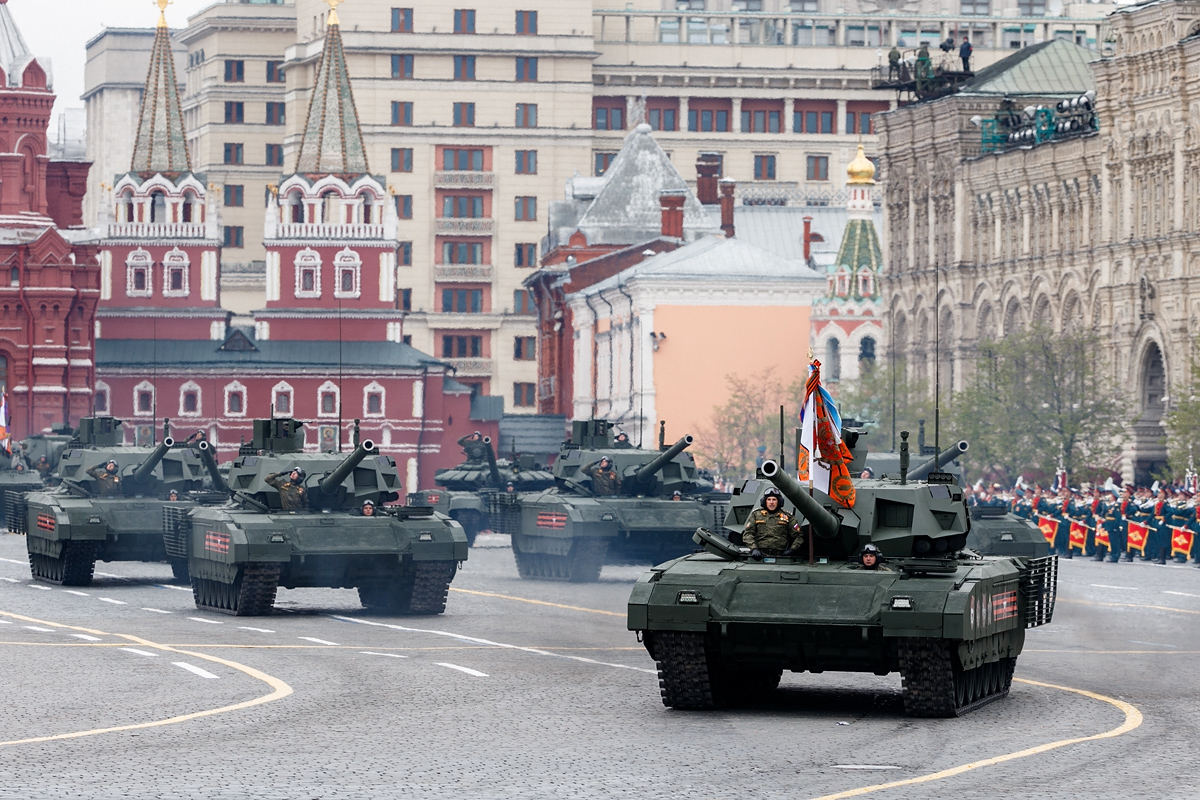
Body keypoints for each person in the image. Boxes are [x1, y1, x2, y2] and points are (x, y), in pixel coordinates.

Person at [742, 488, 803, 558]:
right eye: (769, 499)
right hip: (759, 555)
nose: (771, 502)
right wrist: (754, 548)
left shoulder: (787, 516)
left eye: (774, 500)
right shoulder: (756, 515)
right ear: (764, 501)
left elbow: (799, 536)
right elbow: (748, 534)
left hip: (780, 556)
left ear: (779, 501)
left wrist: (792, 549)